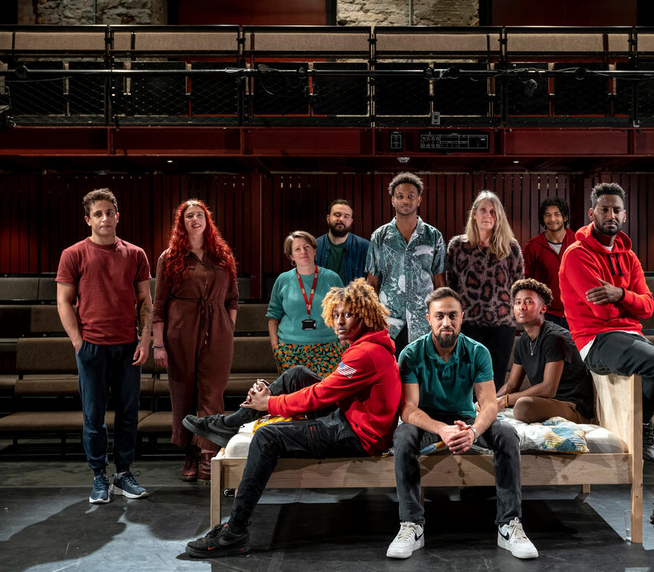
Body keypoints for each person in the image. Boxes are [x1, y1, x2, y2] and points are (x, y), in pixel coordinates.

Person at [183, 279, 402, 558]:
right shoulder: (368, 345)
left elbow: (320, 395)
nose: (339, 321)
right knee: (297, 373)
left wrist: (269, 404)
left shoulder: (365, 354)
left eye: (348, 314)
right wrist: (267, 403)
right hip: (349, 417)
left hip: (358, 436)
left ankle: (235, 532)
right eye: (336, 314)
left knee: (267, 436)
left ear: (365, 316)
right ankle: (232, 424)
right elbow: (328, 392)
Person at [559, 182, 654, 529]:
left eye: (616, 210)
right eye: (604, 209)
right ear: (592, 213)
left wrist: (619, 294)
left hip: (631, 339)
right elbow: (601, 314)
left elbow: (648, 307)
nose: (611, 215)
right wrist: (627, 300)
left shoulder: (629, 257)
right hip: (596, 342)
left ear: (624, 215)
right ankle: (642, 426)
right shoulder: (576, 255)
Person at [387, 288, 538, 560]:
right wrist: (442, 429)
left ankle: (509, 525)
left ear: (462, 317)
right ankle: (411, 524)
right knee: (403, 435)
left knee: (507, 432)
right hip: (428, 421)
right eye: (440, 316)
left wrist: (474, 432)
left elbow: (489, 405)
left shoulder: (478, 352)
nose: (446, 322)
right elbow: (408, 409)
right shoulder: (411, 353)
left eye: (452, 315)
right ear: (429, 319)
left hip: (466, 419)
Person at [55, 188, 152, 504]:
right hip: (92, 346)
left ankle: (123, 474)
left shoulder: (135, 254)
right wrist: (78, 342)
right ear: (88, 220)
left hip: (127, 346)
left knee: (128, 414)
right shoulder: (73, 254)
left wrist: (145, 340)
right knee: (93, 416)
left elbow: (145, 300)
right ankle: (99, 476)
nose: (105, 218)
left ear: (117, 216)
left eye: (109, 212)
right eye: (98, 214)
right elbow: (63, 301)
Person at [152, 199, 239, 483]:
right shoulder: (170, 257)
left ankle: (208, 453)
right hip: (181, 330)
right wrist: (158, 344)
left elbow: (232, 300)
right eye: (189, 215)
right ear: (182, 223)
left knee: (213, 392)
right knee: (184, 394)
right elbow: (158, 306)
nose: (195, 219)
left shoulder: (222, 255)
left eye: (199, 214)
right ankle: (190, 451)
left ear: (207, 220)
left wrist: (227, 327)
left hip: (218, 330)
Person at [446, 190, 524, 390]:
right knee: (467, 380)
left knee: (495, 381)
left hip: (502, 324)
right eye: (483, 210)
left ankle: (491, 411)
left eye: (492, 212)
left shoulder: (510, 247)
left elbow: (518, 285)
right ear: (474, 213)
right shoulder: (457, 246)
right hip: (468, 323)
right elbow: (451, 285)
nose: (487, 215)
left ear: (498, 217)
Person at [366, 172, 446, 354]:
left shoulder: (434, 236)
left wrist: (441, 317)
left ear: (419, 200)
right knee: (390, 368)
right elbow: (372, 282)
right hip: (388, 321)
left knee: (421, 368)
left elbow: (439, 282)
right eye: (400, 196)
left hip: (423, 321)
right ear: (393, 201)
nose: (405, 201)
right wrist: (371, 320)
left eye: (410, 196)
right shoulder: (380, 236)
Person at [496, 278, 594, 424]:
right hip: (545, 403)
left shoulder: (554, 337)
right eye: (517, 302)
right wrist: (492, 401)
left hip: (571, 406)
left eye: (528, 302)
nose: (522, 307)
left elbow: (548, 388)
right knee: (516, 404)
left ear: (543, 309)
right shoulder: (523, 341)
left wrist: (505, 400)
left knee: (522, 406)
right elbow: (512, 385)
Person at [268, 231, 344, 378]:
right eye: (297, 249)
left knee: (324, 392)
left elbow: (345, 314)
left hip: (328, 348)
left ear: (314, 251)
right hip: (290, 350)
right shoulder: (283, 280)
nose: (303, 252)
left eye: (307, 247)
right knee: (295, 392)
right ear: (291, 256)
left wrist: (342, 344)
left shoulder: (332, 278)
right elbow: (273, 318)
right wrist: (276, 349)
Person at [522, 196, 576, 329]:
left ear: (565, 217)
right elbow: (525, 282)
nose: (552, 219)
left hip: (575, 313)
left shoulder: (578, 242)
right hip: (545, 314)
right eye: (548, 215)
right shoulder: (533, 246)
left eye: (557, 214)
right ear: (543, 219)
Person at [315, 198, 370, 285]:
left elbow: (372, 282)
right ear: (328, 218)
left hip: (353, 294)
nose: (341, 219)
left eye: (346, 216)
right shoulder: (314, 246)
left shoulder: (365, 247)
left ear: (351, 221)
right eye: (337, 215)